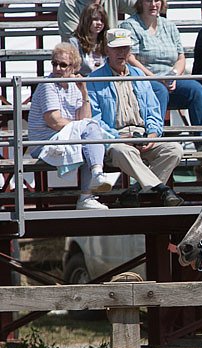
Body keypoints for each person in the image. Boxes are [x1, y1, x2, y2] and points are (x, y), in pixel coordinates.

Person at [87, 28, 185, 207]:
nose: (121, 53)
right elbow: (94, 122)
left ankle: (135, 191)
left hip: (143, 135)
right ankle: (162, 189)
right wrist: (120, 138)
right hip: (115, 139)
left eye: (125, 48)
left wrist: (153, 135)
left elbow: (154, 110)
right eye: (117, 48)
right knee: (124, 151)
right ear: (107, 50)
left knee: (174, 149)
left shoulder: (139, 75)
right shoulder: (93, 79)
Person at [28, 43, 116, 210]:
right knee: (90, 131)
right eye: (55, 63)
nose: (58, 68)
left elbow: (84, 117)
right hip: (45, 142)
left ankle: (88, 192)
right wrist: (81, 128)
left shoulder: (74, 85)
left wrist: (83, 91)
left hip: (64, 136)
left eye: (63, 65)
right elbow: (54, 121)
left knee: (90, 134)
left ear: (74, 68)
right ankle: (91, 187)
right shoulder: (48, 85)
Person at [121, 0, 202, 152]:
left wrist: (175, 75)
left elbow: (180, 57)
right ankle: (156, 142)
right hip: (144, 80)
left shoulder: (169, 26)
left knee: (196, 90)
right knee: (159, 90)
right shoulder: (130, 25)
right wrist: (155, 78)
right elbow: (130, 58)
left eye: (157, 0)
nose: (153, 4)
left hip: (170, 79)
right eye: (148, 0)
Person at [58, 0, 136, 41]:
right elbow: (74, 41)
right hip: (81, 62)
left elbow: (143, 8)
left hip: (111, 56)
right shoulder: (69, 4)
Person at [69, 2, 108, 76]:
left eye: (102, 20)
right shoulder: (74, 42)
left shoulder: (107, 41)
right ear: (86, 20)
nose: (99, 23)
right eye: (95, 19)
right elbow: (72, 69)